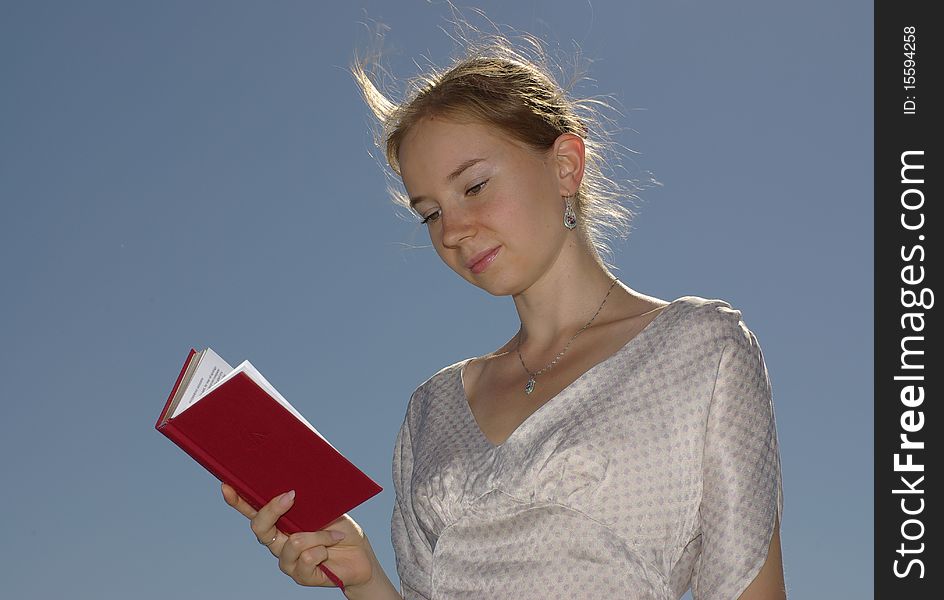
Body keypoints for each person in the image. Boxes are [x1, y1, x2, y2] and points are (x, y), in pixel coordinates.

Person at [221, 19, 785, 600]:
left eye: (473, 186)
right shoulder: (430, 410)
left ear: (566, 165)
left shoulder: (700, 350)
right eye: (430, 212)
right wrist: (361, 575)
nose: (453, 231)